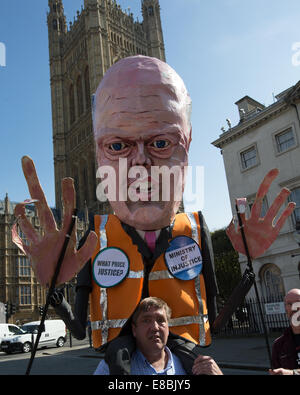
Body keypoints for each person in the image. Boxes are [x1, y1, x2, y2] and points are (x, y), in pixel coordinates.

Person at [12, 56, 295, 355]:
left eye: (161, 143)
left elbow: (214, 321)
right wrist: (54, 288)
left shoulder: (194, 231)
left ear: (186, 147)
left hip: (180, 358)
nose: (141, 163)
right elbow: (81, 328)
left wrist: (249, 269)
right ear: (99, 155)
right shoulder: (95, 238)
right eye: (118, 146)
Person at [94, 296, 223, 375]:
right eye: (146, 320)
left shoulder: (192, 365)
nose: (155, 327)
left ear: (168, 328)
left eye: (161, 320)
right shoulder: (109, 368)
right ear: (134, 329)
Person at [269, 288, 300, 375]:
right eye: (289, 304)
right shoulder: (279, 345)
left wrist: (292, 373)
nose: (294, 308)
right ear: (286, 309)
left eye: (298, 302)